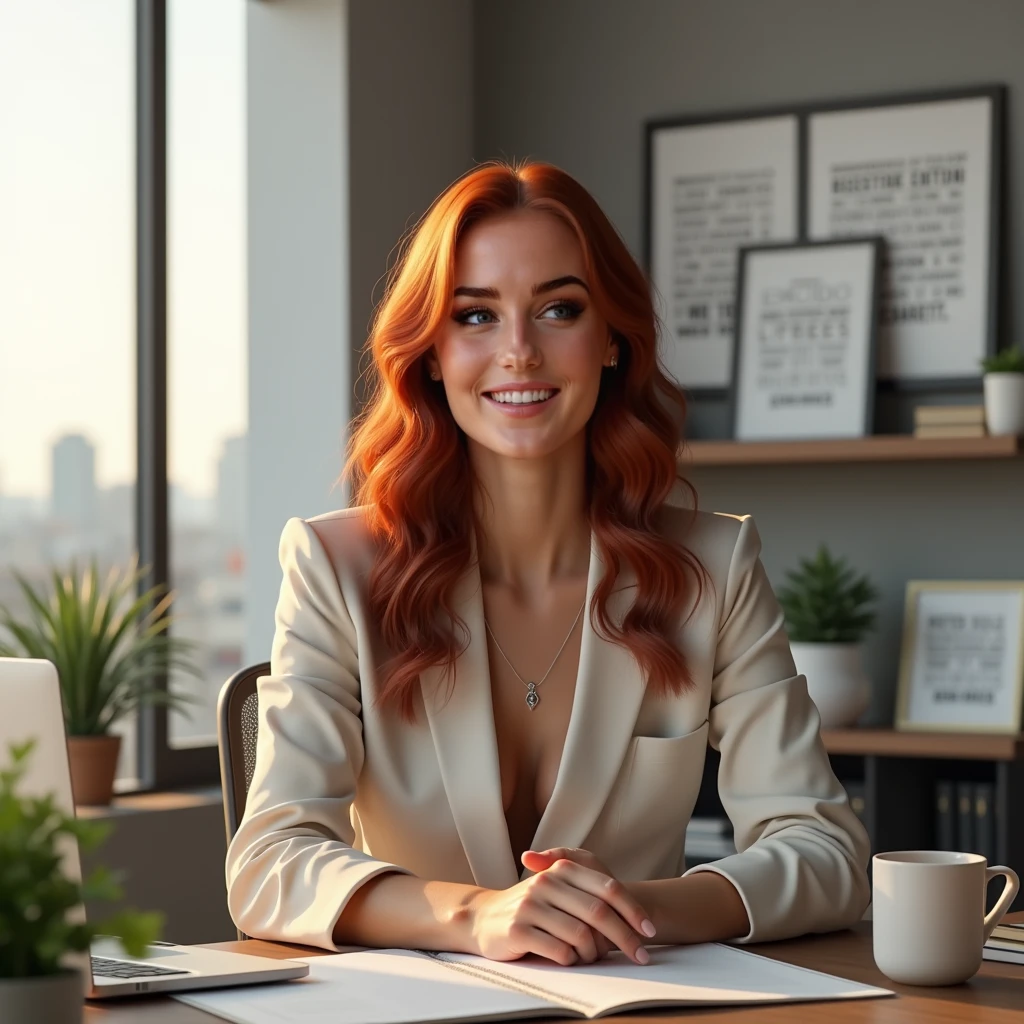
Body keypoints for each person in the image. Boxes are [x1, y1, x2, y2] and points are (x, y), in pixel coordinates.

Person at [225, 160, 870, 968]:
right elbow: (269, 863)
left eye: (559, 309)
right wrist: (477, 917)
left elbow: (826, 850)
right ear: (430, 352)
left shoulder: (714, 565)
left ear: (611, 340)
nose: (520, 352)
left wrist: (636, 909)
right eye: (476, 316)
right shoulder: (334, 566)